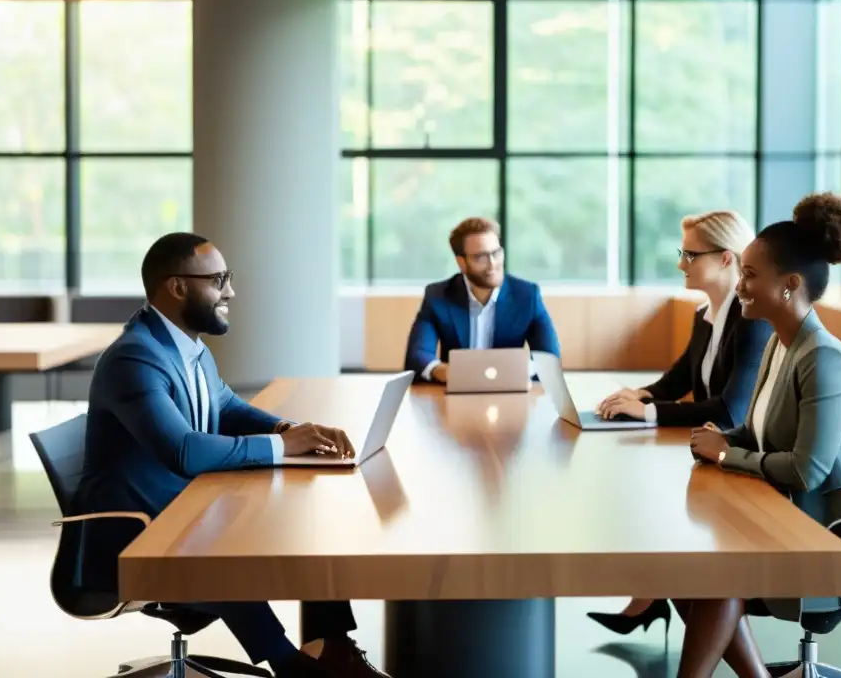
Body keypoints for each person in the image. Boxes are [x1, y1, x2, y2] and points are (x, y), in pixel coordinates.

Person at [74, 232, 390, 678]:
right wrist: (281, 448)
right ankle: (292, 666)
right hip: (135, 535)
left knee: (306, 522)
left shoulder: (187, 346)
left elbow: (223, 406)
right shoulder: (135, 358)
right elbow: (183, 450)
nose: (230, 292)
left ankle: (333, 647)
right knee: (226, 540)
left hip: (181, 509)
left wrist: (287, 429)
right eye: (219, 279)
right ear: (178, 287)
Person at [682, 193, 841, 678]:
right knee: (682, 574)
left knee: (718, 580)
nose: (740, 285)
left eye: (751, 274)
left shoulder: (823, 356)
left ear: (791, 285)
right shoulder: (781, 344)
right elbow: (761, 430)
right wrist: (724, 437)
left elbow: (806, 469)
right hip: (794, 520)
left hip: (833, 541)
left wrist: (726, 456)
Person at [586, 210, 773, 637]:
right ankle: (650, 597)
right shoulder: (706, 316)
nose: (680, 264)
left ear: (727, 259)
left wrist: (648, 412)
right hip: (712, 453)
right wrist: (639, 396)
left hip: (743, 463)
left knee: (664, 515)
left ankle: (651, 598)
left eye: (690, 255)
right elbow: (679, 380)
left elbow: (728, 412)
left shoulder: (752, 324)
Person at [404, 217, 560, 383]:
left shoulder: (527, 295)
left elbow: (549, 358)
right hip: (455, 395)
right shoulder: (438, 296)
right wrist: (442, 371)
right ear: (461, 263)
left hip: (510, 394)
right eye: (480, 257)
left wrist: (519, 371)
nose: (492, 264)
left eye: (496, 253)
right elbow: (417, 355)